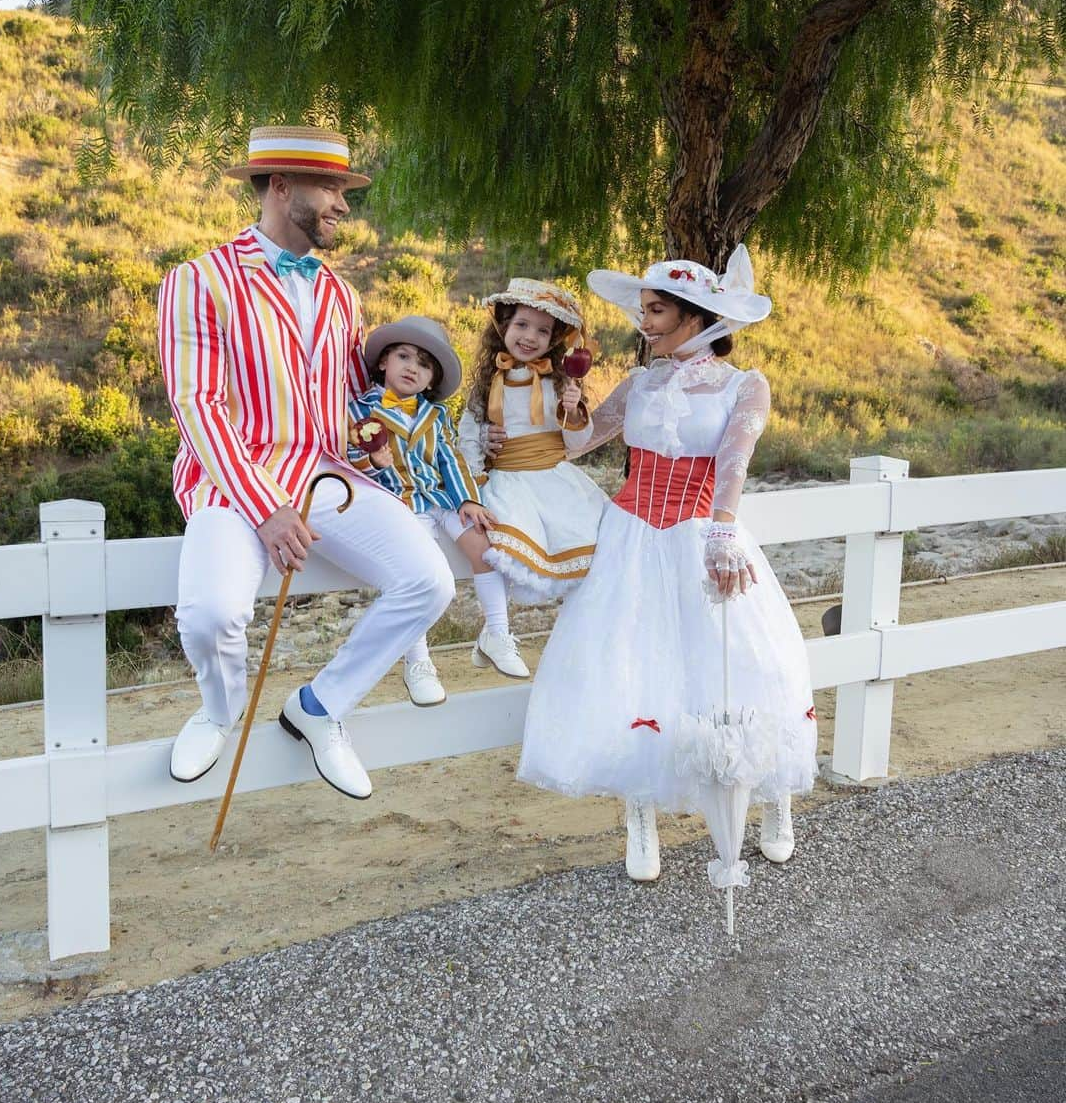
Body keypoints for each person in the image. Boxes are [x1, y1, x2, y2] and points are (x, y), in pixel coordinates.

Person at [158, 126, 455, 795]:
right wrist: (265, 508)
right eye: (331, 189)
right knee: (210, 617)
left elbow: (352, 398)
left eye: (344, 191)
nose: (343, 206)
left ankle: (319, 708)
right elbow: (197, 405)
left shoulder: (340, 294)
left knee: (428, 582)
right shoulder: (198, 281)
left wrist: (390, 440)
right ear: (282, 187)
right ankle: (219, 710)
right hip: (233, 481)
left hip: (326, 476)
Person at [517, 248, 816, 882]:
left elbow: (734, 461)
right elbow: (580, 441)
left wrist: (723, 535)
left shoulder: (744, 385)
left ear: (694, 316)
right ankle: (640, 810)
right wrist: (562, 403)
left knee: (738, 665)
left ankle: (773, 798)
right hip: (631, 538)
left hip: (702, 533)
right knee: (632, 666)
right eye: (644, 311)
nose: (643, 321)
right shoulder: (642, 380)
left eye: (655, 311)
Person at [348, 315, 517, 705]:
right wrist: (374, 462)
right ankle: (418, 661)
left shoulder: (435, 415)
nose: (413, 367)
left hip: (438, 499)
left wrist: (467, 500)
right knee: (419, 573)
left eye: (424, 364)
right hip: (400, 504)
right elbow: (349, 462)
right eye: (404, 356)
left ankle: (497, 630)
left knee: (483, 543)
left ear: (431, 380)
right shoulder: (360, 411)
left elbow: (450, 460)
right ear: (383, 363)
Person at [457, 279, 608, 675]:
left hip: (555, 478)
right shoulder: (489, 384)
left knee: (593, 550)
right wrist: (481, 458)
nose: (530, 337)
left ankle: (585, 643)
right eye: (522, 325)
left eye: (543, 330)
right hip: (510, 479)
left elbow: (578, 440)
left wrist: (574, 412)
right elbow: (468, 434)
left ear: (554, 340)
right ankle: (496, 632)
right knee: (509, 546)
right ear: (503, 327)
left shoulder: (558, 382)